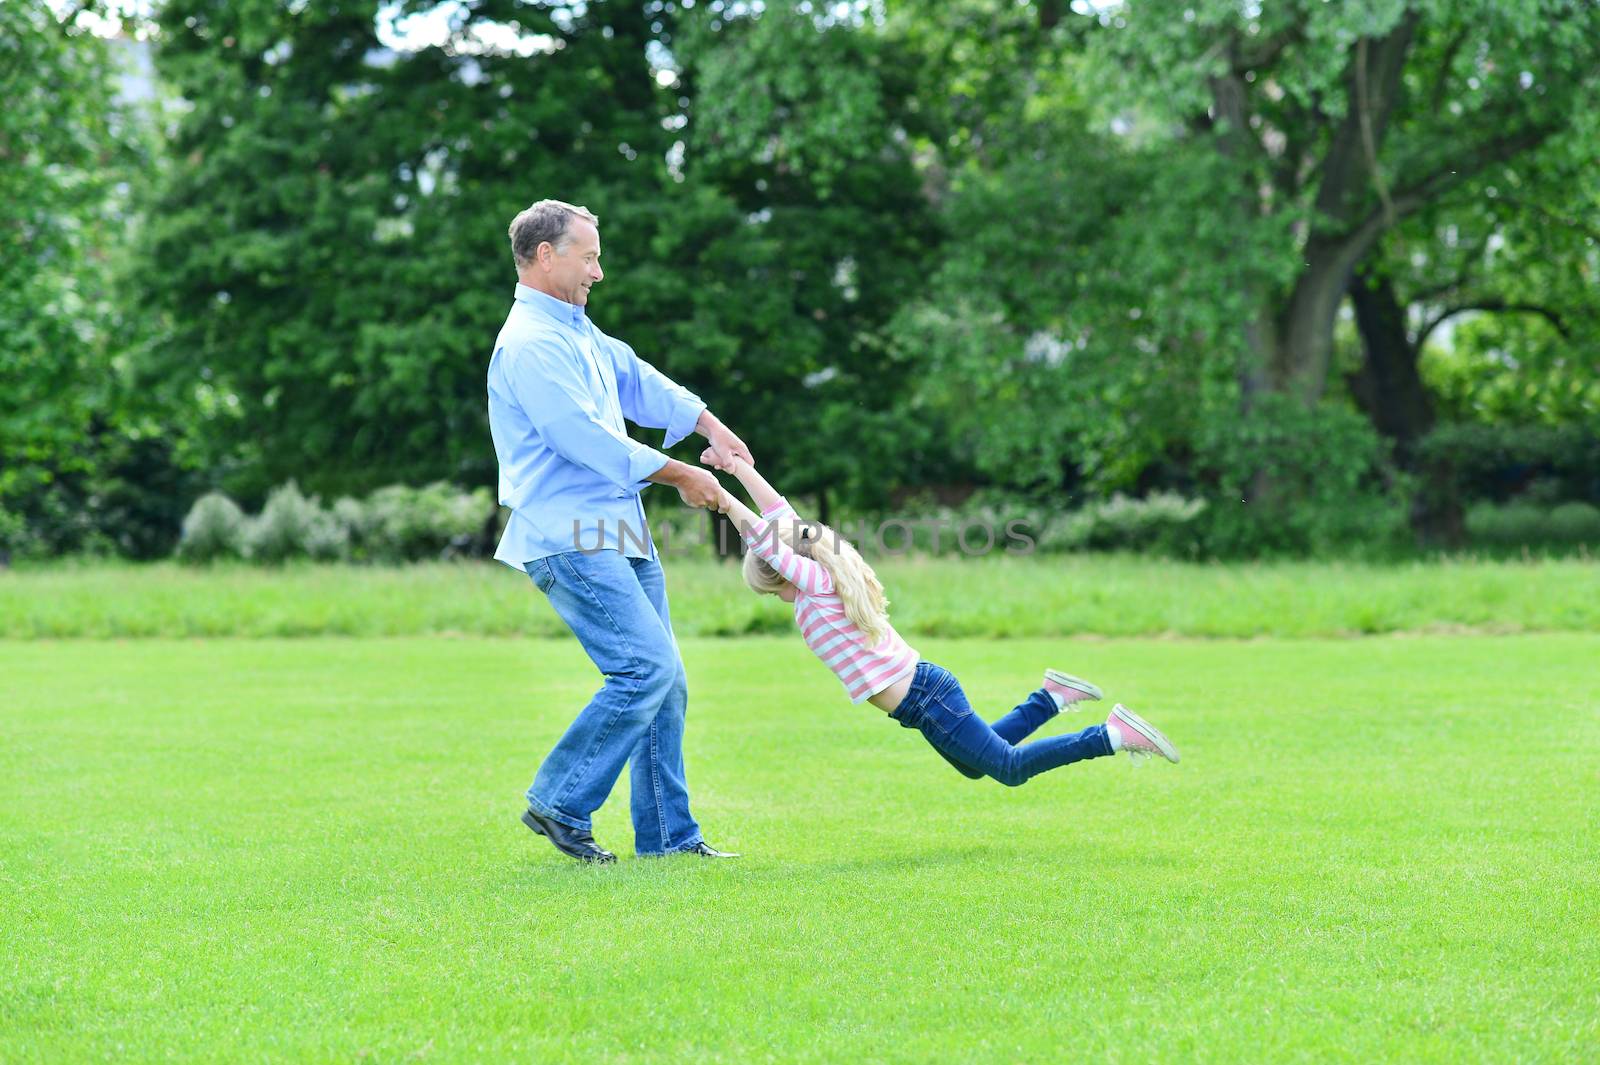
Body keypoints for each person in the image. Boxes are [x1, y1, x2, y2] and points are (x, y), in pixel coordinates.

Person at [488, 199, 746, 864]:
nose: (599, 271)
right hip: (569, 533)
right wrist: (680, 473)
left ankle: (668, 837)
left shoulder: (576, 330)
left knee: (668, 680)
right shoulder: (530, 343)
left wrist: (709, 425)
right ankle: (560, 800)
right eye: (590, 256)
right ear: (547, 255)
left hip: (617, 529)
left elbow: (636, 378)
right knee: (645, 667)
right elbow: (585, 440)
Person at [707, 452, 1180, 784]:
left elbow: (775, 535)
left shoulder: (817, 585)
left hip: (927, 695)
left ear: (788, 575)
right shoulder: (820, 576)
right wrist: (738, 468)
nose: (779, 598)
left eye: (774, 591)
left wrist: (726, 501)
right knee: (977, 764)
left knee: (1008, 769)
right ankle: (1051, 698)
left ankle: (1113, 735)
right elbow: (781, 516)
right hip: (920, 702)